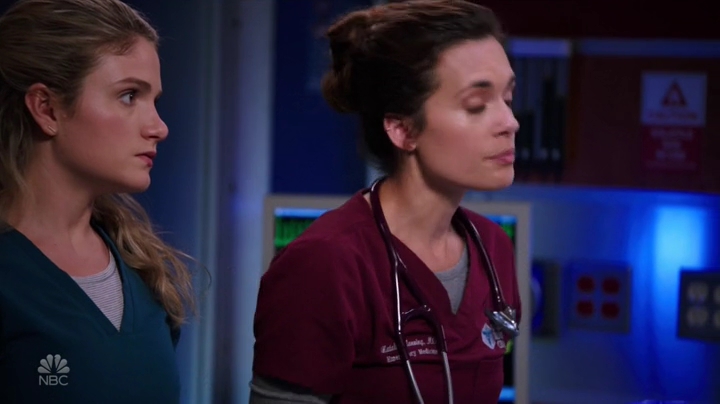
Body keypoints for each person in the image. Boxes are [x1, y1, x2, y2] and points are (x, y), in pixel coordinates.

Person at [251, 0, 522, 403]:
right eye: (477, 105)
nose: (510, 123)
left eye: (508, 98)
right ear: (402, 129)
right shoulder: (324, 264)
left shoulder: (493, 249)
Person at [0, 1, 195, 403]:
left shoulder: (145, 271)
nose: (159, 127)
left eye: (154, 100)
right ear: (47, 108)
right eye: (129, 96)